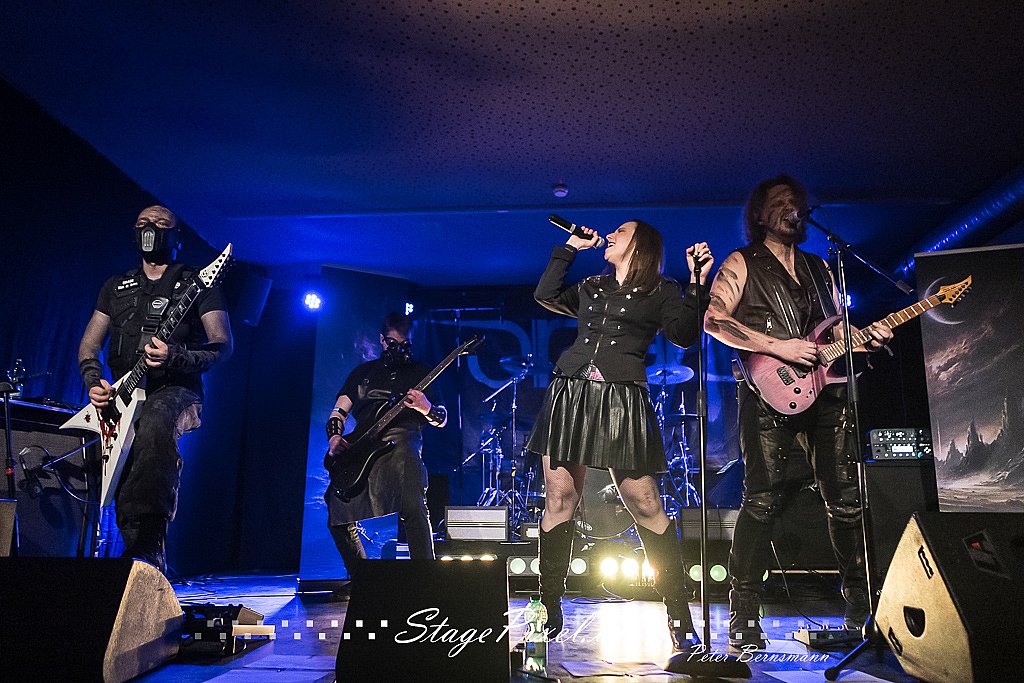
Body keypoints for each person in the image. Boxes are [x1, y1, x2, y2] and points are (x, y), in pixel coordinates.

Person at [703, 175, 892, 650]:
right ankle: (744, 612)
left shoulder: (820, 267)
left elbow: (833, 334)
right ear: (760, 214)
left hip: (826, 393)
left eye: (796, 201)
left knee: (845, 501)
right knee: (761, 499)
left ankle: (860, 610)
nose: (790, 207)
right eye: (779, 202)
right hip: (768, 389)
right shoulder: (741, 262)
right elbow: (714, 319)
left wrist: (866, 340)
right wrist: (778, 346)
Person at [526, 220, 711, 652]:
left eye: (620, 232)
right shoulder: (592, 286)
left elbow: (683, 335)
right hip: (571, 391)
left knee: (645, 503)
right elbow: (545, 294)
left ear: (641, 246)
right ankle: (549, 605)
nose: (610, 235)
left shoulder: (662, 290)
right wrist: (570, 247)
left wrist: (696, 283)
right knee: (559, 499)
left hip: (622, 398)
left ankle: (678, 612)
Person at [77, 205, 232, 574]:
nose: (151, 228)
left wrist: (175, 355)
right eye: (143, 223)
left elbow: (222, 346)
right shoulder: (115, 286)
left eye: (161, 224)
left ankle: (151, 542)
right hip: (123, 395)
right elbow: (89, 345)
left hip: (177, 390)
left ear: (177, 236)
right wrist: (94, 381)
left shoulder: (198, 283)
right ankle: (138, 559)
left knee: (155, 422)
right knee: (124, 462)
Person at [323, 313, 447, 576]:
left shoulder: (421, 373)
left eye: (405, 344)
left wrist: (425, 407)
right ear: (381, 340)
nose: (398, 349)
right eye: (392, 343)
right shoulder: (362, 373)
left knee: (413, 506)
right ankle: (362, 577)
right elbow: (338, 412)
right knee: (336, 508)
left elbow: (443, 418)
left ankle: (427, 578)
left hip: (403, 444)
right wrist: (335, 438)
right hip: (362, 447)